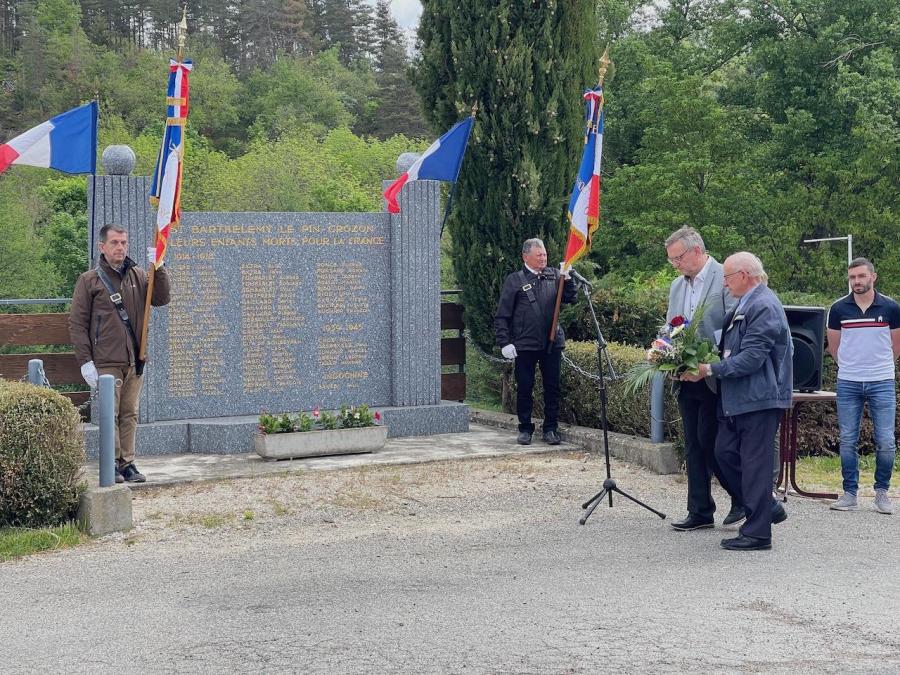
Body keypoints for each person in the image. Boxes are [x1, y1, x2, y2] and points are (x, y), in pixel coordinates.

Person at [681, 252, 791, 551]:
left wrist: (709, 370)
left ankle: (758, 534)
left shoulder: (764, 305)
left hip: (759, 397)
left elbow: (752, 358)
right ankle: (765, 507)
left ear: (744, 275)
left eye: (728, 278)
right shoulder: (747, 303)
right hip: (738, 398)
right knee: (724, 451)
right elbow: (728, 348)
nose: (725, 284)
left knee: (754, 464)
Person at [69, 224, 171, 483]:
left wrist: (158, 268)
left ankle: (128, 463)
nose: (120, 247)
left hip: (134, 359)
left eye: (124, 242)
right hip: (106, 361)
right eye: (114, 243)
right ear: (102, 247)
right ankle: (112, 463)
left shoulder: (138, 275)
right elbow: (77, 323)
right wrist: (85, 362)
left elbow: (161, 298)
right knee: (110, 414)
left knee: (129, 414)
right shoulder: (89, 280)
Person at [663, 227, 745, 532]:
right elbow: (672, 325)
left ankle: (745, 499)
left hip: (714, 377)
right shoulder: (676, 286)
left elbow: (735, 326)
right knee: (693, 444)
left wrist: (710, 362)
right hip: (685, 376)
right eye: (672, 260)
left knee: (713, 442)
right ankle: (699, 510)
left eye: (678, 258)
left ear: (696, 251)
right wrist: (662, 348)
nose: (676, 265)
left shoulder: (725, 276)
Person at [826, 258, 900, 514]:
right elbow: (834, 347)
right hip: (848, 382)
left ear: (873, 277)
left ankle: (882, 493)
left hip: (882, 381)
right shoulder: (838, 309)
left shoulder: (891, 307)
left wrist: (878, 368)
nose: (856, 281)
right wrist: (851, 367)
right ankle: (850, 493)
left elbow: (896, 346)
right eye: (852, 277)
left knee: (886, 440)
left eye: (861, 276)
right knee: (847, 439)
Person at [494, 238, 577, 445]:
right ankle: (525, 428)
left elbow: (570, 298)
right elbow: (502, 314)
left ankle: (550, 428)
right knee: (525, 387)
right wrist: (504, 342)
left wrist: (568, 280)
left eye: (545, 254)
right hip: (524, 344)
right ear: (526, 256)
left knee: (552, 387)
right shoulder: (515, 280)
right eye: (539, 255)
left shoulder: (554, 275)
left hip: (551, 343)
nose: (543, 258)